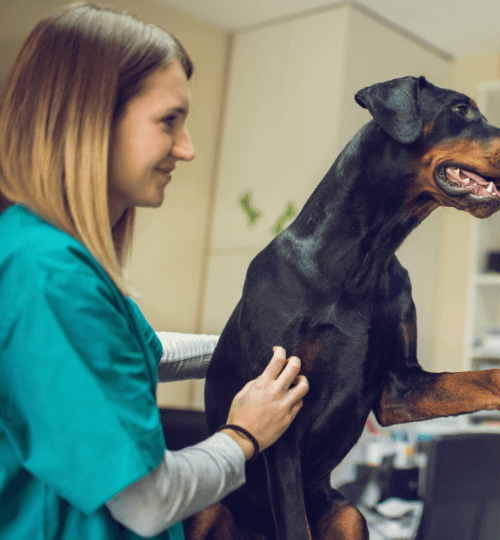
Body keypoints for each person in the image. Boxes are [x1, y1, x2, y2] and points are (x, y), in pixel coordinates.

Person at [0, 4, 309, 539]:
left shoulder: (44, 254)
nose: (186, 149)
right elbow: (149, 500)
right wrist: (244, 433)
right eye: (170, 121)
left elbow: (139, 352)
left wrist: (267, 346)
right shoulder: (49, 275)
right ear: (89, 118)